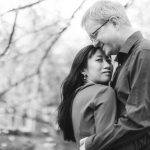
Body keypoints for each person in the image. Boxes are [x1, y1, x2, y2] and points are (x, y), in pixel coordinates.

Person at [80, 0, 150, 150]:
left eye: (95, 34)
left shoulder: (144, 54)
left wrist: (92, 144)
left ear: (114, 23)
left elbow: (139, 121)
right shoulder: (123, 61)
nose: (94, 43)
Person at [57, 45, 117, 148]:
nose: (107, 65)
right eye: (99, 60)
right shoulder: (104, 92)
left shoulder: (76, 95)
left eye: (108, 60)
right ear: (83, 69)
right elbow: (107, 143)